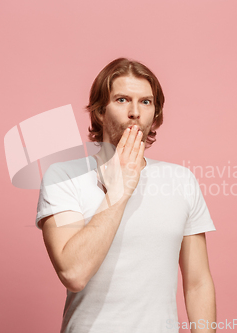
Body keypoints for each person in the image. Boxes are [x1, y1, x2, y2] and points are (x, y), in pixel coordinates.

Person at [35, 57, 217, 333]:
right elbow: (73, 273)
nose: (135, 112)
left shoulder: (181, 180)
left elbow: (198, 282)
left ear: (155, 113)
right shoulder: (63, 177)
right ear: (99, 111)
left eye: (145, 102)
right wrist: (120, 190)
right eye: (121, 100)